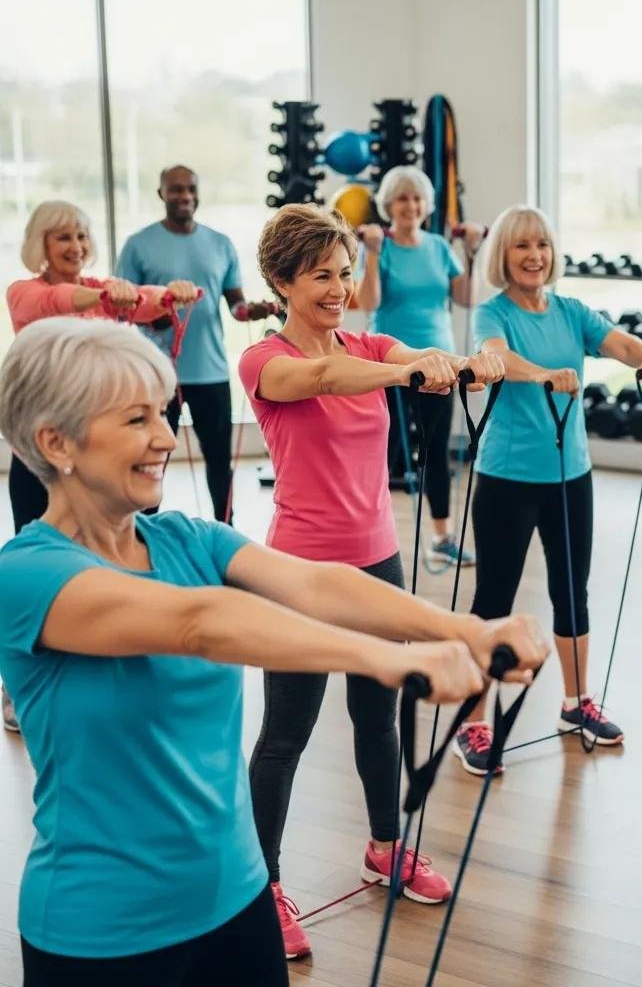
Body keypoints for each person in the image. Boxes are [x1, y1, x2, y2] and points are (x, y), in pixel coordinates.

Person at [0, 316, 548, 986]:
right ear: (56, 442)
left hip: (237, 900)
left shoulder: (186, 538)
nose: (167, 438)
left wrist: (467, 631)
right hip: (104, 931)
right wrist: (384, 658)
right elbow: (198, 623)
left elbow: (317, 581)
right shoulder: (27, 574)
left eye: (164, 415)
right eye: (137, 420)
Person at [241, 203, 507, 959]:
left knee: (379, 719)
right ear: (281, 282)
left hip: (378, 561)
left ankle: (387, 847)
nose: (337, 285)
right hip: (300, 571)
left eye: (344, 271)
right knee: (286, 733)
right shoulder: (264, 361)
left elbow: (418, 349)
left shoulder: (370, 340)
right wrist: (405, 370)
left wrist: (463, 362)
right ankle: (266, 885)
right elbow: (322, 375)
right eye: (320, 274)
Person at [449, 204, 642, 775]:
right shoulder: (492, 313)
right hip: (507, 476)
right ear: (504, 255)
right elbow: (494, 357)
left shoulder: (570, 311)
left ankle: (575, 705)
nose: (534, 256)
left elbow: (617, 342)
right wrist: (544, 375)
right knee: (494, 600)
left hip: (570, 475)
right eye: (522, 246)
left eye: (542, 245)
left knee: (572, 593)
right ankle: (473, 723)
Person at [3, 199, 197, 735]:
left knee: (105, 546)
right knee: (39, 557)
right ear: (40, 244)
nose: (76, 246)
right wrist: (115, 296)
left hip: (93, 456)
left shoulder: (103, 288)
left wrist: (170, 295)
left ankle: (105, 645)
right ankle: (19, 681)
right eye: (63, 237)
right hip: (40, 458)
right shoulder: (26, 293)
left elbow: (148, 306)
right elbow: (63, 298)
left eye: (82, 236)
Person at [116, 165, 261, 524]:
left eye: (190, 189)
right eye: (176, 189)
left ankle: (225, 531)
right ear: (161, 194)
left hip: (210, 371)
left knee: (219, 461)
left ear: (197, 193)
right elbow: (121, 310)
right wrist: (155, 318)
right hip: (158, 375)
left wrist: (256, 309)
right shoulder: (138, 245)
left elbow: (236, 306)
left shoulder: (220, 243)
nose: (184, 196)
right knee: (152, 458)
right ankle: (144, 531)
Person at [354, 165, 484, 565]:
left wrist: (471, 252)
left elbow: (467, 297)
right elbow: (369, 303)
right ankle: (368, 537)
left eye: (416, 199)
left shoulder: (438, 247)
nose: (410, 206)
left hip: (439, 364)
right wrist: (373, 255)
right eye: (401, 199)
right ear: (387, 205)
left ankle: (442, 539)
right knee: (384, 451)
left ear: (426, 205)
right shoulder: (378, 247)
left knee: (435, 451)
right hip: (391, 363)